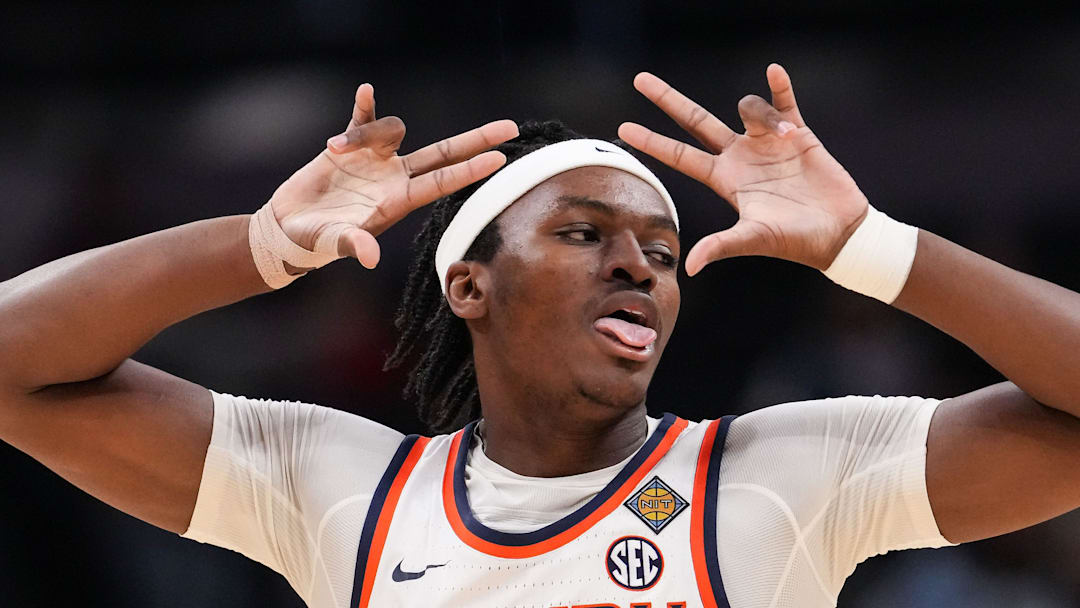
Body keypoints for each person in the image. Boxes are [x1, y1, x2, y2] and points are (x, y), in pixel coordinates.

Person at [0, 64, 1077, 608]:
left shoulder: (780, 472)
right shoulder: (342, 484)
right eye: (583, 232)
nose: (636, 264)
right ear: (469, 284)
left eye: (661, 249)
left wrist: (872, 247)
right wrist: (261, 246)